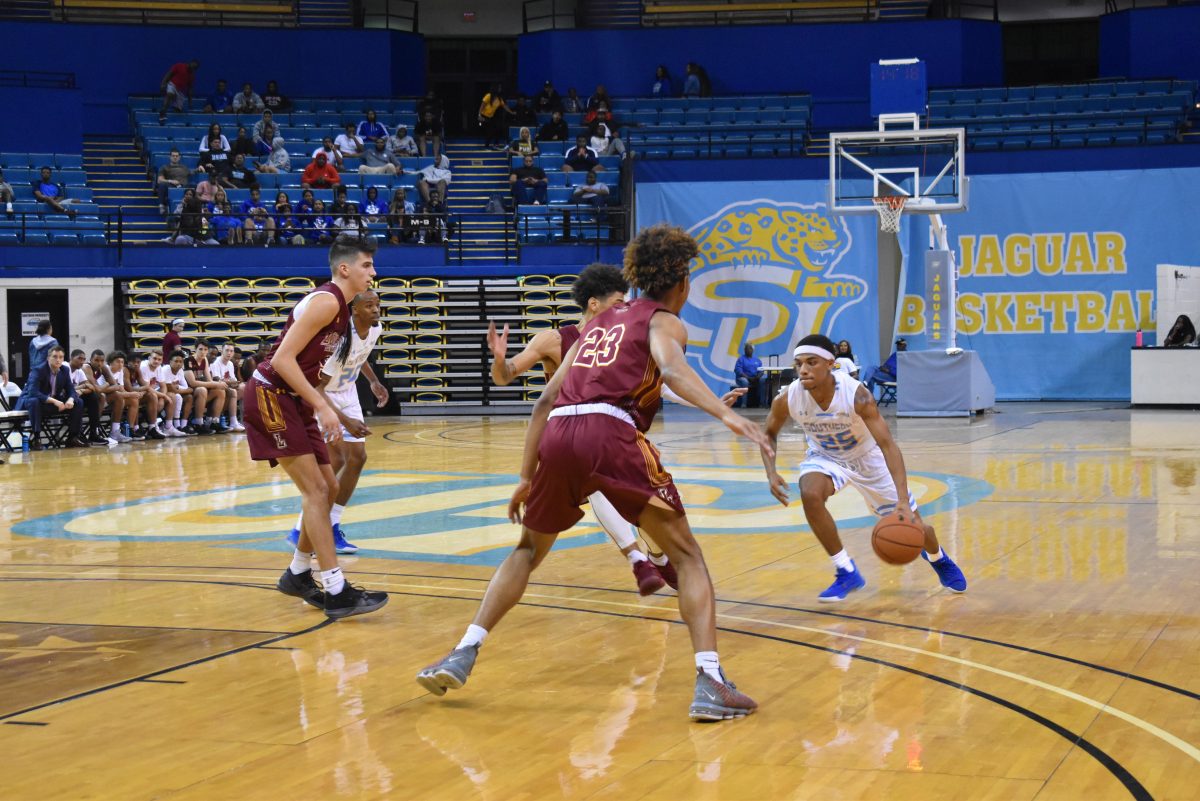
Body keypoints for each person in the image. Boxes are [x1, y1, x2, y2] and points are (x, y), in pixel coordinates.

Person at [417, 225, 770, 721]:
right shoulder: (663, 320)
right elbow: (671, 370)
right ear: (683, 282)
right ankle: (711, 681)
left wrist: (525, 475)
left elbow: (545, 400)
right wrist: (730, 416)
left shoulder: (595, 326)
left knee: (527, 550)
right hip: (610, 431)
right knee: (688, 558)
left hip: (559, 434)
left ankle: (463, 650)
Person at [487, 263, 680, 594]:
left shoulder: (623, 337)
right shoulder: (554, 339)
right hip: (565, 431)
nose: (623, 308)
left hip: (612, 430)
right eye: (618, 301)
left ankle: (656, 558)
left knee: (649, 500)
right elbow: (506, 376)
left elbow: (661, 384)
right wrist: (499, 359)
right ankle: (638, 560)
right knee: (595, 484)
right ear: (594, 304)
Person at [759, 333, 968, 602]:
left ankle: (938, 557)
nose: (803, 370)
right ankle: (846, 569)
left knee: (916, 527)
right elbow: (768, 434)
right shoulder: (788, 398)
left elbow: (888, 445)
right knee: (810, 493)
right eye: (798, 364)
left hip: (868, 459)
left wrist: (903, 500)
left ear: (831, 364)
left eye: (811, 362)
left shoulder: (857, 396)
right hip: (826, 456)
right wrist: (771, 472)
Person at [245, 234, 388, 618]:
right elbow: (282, 361)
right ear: (345, 269)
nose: (373, 272)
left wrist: (324, 405)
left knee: (329, 488)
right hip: (271, 395)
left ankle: (296, 574)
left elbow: (313, 369)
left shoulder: (342, 310)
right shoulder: (327, 301)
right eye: (367, 265)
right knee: (315, 490)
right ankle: (336, 588)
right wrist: (322, 408)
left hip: (295, 399)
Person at [289, 290, 388, 554]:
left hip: (348, 392)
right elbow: (318, 388)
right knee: (337, 461)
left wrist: (373, 380)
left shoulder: (375, 329)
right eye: (369, 306)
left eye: (377, 304)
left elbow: (361, 355)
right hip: (325, 396)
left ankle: (331, 523)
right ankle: (302, 528)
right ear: (355, 310)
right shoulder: (340, 340)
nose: (376, 310)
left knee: (358, 457)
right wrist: (344, 420)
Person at [19, 346, 86, 450]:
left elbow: (71, 389)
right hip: (34, 403)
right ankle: (36, 439)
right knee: (34, 401)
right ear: (48, 358)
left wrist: (71, 399)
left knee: (79, 402)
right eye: (55, 357)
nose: (58, 359)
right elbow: (33, 392)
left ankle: (72, 437)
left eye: (61, 357)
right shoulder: (38, 370)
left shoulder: (64, 369)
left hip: (52, 404)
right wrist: (55, 401)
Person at [158, 349, 201, 436]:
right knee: (176, 396)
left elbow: (189, 389)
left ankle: (183, 425)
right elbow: (170, 388)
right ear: (170, 362)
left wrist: (178, 389)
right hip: (160, 392)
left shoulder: (180, 371)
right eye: (176, 361)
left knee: (189, 397)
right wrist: (178, 389)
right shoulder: (165, 369)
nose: (178, 363)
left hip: (174, 393)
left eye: (180, 361)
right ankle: (172, 425)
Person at [158, 59, 198, 123]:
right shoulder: (179, 66)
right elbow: (169, 74)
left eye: (194, 68)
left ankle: (174, 123)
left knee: (178, 109)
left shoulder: (191, 76)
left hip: (180, 91)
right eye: (192, 66)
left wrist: (190, 102)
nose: (192, 69)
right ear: (190, 63)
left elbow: (190, 89)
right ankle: (163, 111)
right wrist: (163, 83)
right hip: (172, 84)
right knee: (170, 94)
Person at [155, 148, 191, 215]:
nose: (175, 157)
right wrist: (170, 181)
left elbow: (192, 172)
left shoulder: (184, 167)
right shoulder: (164, 167)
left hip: (184, 187)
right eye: (173, 156)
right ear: (170, 157)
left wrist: (199, 168)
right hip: (171, 187)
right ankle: (162, 206)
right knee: (162, 185)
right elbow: (159, 180)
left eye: (177, 156)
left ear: (179, 157)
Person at [478, 84, 513, 151]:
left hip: (490, 118)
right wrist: (479, 115)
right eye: (499, 88)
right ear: (495, 88)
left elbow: (504, 106)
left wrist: (511, 112)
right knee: (490, 131)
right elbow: (482, 106)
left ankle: (495, 145)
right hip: (483, 116)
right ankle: (486, 147)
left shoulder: (499, 98)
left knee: (497, 129)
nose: (500, 89)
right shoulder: (488, 96)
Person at [733, 343, 763, 408]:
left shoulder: (757, 360)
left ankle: (761, 403)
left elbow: (761, 370)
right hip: (742, 378)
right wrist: (748, 378)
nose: (747, 350)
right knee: (745, 382)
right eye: (746, 349)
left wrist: (758, 377)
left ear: (752, 350)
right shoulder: (741, 359)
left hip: (754, 378)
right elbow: (738, 370)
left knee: (762, 380)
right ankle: (744, 404)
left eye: (749, 348)